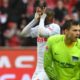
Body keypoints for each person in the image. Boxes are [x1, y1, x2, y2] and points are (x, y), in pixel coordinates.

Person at [20, 5, 60, 80]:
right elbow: (23, 33)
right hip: (39, 67)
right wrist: (34, 20)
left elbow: (42, 33)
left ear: (51, 17)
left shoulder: (55, 27)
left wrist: (41, 19)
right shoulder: (40, 27)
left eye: (44, 15)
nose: (42, 17)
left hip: (50, 66)